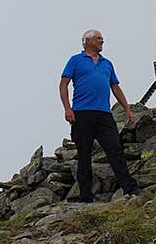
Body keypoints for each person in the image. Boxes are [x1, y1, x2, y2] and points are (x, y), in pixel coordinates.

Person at [59, 29, 140, 202]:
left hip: (104, 113)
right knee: (84, 154)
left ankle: (129, 188)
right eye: (98, 39)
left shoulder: (107, 63)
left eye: (102, 39)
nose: (102, 41)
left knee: (115, 150)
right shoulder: (75, 60)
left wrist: (127, 108)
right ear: (87, 41)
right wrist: (67, 109)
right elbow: (63, 85)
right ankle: (85, 195)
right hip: (81, 113)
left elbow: (115, 87)